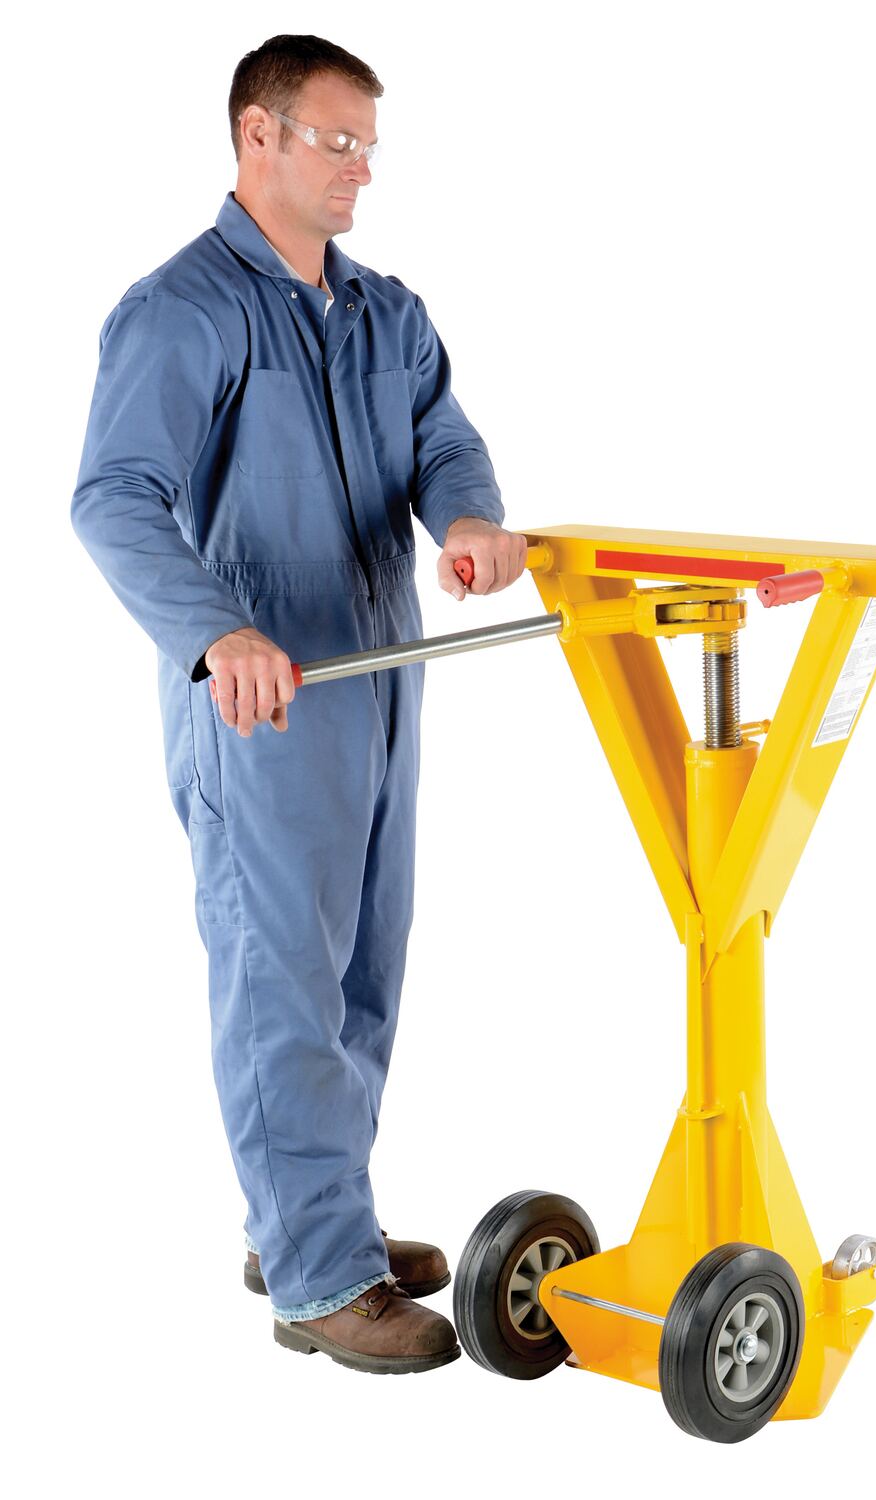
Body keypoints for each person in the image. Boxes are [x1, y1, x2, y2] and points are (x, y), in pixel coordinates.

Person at [70, 33, 526, 1375]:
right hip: (261, 709)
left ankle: (312, 1222)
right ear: (255, 136)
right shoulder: (182, 311)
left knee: (364, 968)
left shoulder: (386, 311)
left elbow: (441, 437)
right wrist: (218, 633)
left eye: (368, 146)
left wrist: (468, 518)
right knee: (281, 979)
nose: (360, 169)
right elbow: (113, 497)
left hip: (378, 684)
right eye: (336, 141)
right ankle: (320, 1279)